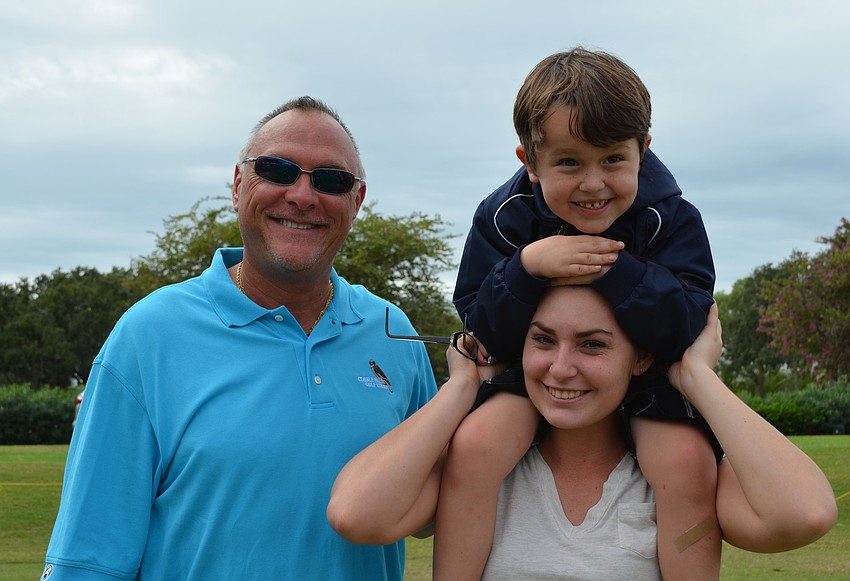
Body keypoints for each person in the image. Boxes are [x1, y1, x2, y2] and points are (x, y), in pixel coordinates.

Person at [41, 96, 438, 580]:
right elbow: (88, 561)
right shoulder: (148, 336)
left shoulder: (393, 333)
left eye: (331, 180)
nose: (302, 196)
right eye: (278, 169)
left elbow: (435, 505)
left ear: (356, 202)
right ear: (237, 185)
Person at [327, 286, 838, 579]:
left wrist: (697, 377)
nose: (561, 367)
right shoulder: (481, 467)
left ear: (639, 358)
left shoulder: (673, 477)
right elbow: (356, 513)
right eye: (542, 340)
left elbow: (805, 513)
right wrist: (461, 388)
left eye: (593, 345)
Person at [443, 48, 718, 578]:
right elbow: (481, 322)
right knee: (476, 445)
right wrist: (526, 267)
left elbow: (687, 321)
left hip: (650, 378)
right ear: (529, 161)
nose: (594, 184)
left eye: (614, 158)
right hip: (537, 373)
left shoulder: (674, 218)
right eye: (568, 162)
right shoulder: (503, 218)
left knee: (685, 463)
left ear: (643, 149)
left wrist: (609, 268)